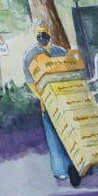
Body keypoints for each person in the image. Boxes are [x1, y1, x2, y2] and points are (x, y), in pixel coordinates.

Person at [23, 21, 72, 181]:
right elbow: (30, 82)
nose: (42, 36)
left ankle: (74, 166)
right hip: (47, 104)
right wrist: (42, 97)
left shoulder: (60, 52)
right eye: (39, 33)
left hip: (64, 101)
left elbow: (69, 73)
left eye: (44, 32)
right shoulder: (31, 55)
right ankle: (60, 170)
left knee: (69, 134)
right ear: (35, 35)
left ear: (49, 33)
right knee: (53, 137)